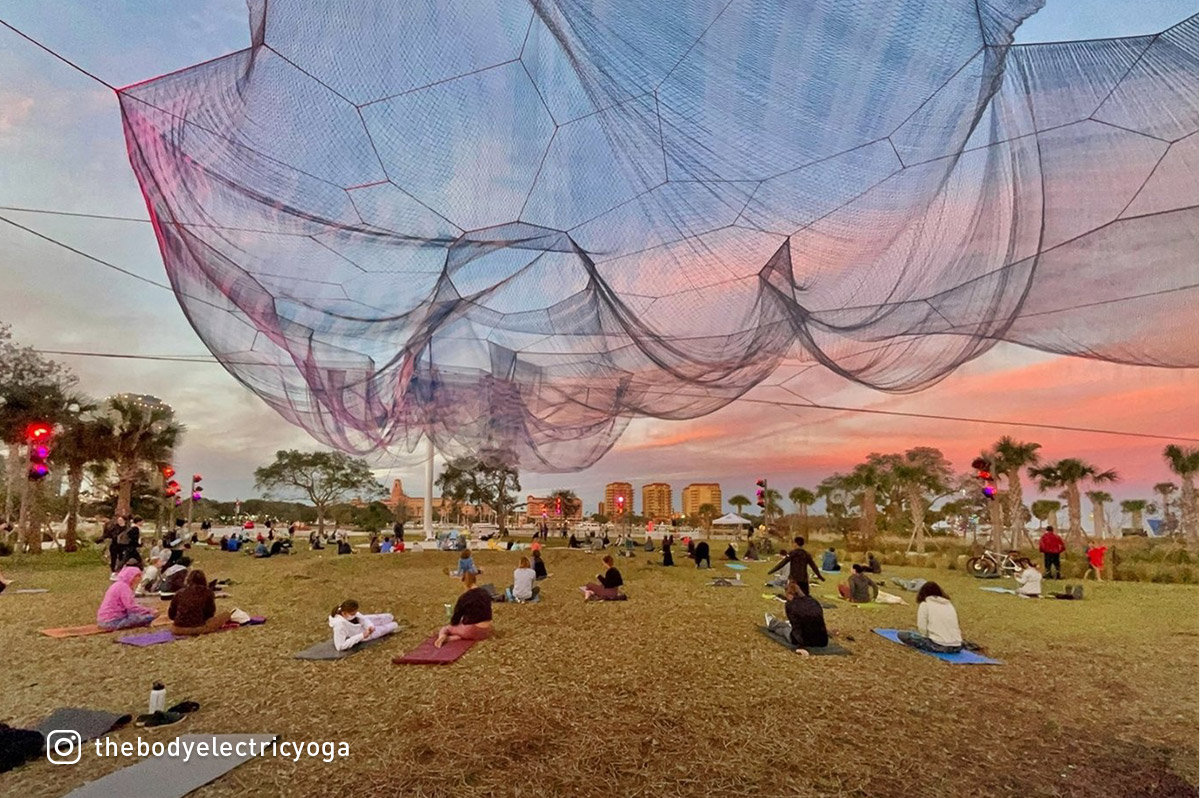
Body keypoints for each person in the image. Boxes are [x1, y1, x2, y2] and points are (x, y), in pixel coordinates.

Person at [897, 582, 976, 654]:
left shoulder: (925, 604)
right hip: (957, 646)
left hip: (940, 645)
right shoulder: (948, 604)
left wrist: (925, 636)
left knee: (902, 634)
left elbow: (922, 628)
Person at [764, 580, 830, 655]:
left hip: (802, 640)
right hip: (822, 641)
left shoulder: (790, 605)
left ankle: (772, 623)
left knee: (784, 629)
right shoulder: (814, 602)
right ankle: (774, 622)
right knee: (788, 627)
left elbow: (795, 627)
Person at [435, 572, 493, 648]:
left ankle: (441, 637)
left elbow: (455, 620)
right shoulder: (485, 592)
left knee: (446, 628)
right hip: (487, 630)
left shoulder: (464, 598)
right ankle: (450, 638)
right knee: (462, 633)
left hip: (472, 629)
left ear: (465, 583)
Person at [168, 570, 233, 636]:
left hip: (177, 629)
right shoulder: (208, 592)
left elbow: (171, 615)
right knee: (226, 615)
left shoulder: (179, 593)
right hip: (198, 628)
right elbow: (209, 614)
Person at [97, 566, 159, 630]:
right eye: (137, 576)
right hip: (112, 621)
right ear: (131, 576)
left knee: (136, 615)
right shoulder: (124, 587)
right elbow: (131, 607)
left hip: (105, 619)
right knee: (146, 617)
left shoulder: (118, 585)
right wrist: (149, 610)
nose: (140, 578)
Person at [329, 599, 399, 651]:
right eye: (353, 614)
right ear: (344, 613)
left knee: (388, 617)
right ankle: (391, 625)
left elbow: (363, 619)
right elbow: (340, 646)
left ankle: (384, 622)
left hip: (364, 628)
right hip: (362, 634)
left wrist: (370, 626)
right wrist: (362, 635)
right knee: (393, 625)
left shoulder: (348, 612)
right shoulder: (339, 625)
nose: (355, 614)